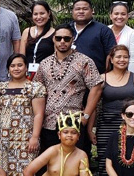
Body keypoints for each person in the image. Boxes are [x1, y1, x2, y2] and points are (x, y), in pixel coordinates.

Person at [33, 24, 104, 155]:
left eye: (66, 39)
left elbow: (97, 87)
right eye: (59, 38)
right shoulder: (45, 63)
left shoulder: (84, 61)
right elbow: (37, 90)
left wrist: (86, 116)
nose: (62, 42)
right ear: (53, 39)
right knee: (50, 164)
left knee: (74, 164)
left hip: (73, 122)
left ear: (72, 40)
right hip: (49, 122)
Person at [93, 44, 134, 176]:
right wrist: (90, 130)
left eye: (125, 57)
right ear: (112, 59)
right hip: (106, 125)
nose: (122, 60)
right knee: (104, 164)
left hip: (129, 125)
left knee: (127, 162)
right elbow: (94, 104)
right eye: (118, 57)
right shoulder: (102, 78)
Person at [0, 54, 46, 176]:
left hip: (26, 137)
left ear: (26, 67)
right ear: (8, 69)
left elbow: (38, 114)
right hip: (5, 138)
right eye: (13, 66)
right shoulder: (1, 87)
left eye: (19, 65)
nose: (16, 68)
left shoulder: (35, 87)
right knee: (8, 172)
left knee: (26, 171)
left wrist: (35, 137)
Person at [69, 0, 116, 74]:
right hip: (68, 80)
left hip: (96, 80)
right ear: (72, 11)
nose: (81, 11)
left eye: (85, 9)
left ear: (92, 11)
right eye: (77, 9)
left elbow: (111, 56)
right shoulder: (65, 29)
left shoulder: (103, 30)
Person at [19, 0, 56, 79]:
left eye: (42, 13)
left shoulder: (55, 34)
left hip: (46, 76)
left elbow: (56, 58)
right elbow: (21, 57)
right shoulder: (27, 32)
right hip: (27, 75)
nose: (38, 17)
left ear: (48, 14)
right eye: (35, 14)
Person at [108, 1, 134, 74]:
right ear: (111, 16)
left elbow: (133, 59)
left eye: (123, 14)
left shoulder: (132, 34)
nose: (119, 17)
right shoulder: (105, 30)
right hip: (106, 73)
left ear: (127, 16)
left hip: (124, 73)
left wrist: (130, 77)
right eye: (116, 14)